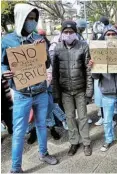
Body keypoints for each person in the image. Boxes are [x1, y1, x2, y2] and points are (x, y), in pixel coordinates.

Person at [1, 4, 58, 173]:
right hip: (21, 94)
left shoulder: (37, 39)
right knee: (19, 132)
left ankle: (43, 153)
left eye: (34, 19)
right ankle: (15, 167)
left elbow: (47, 63)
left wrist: (43, 50)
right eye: (29, 18)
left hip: (40, 91)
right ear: (20, 19)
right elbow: (2, 62)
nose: (31, 22)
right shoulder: (8, 40)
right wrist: (4, 72)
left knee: (42, 125)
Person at [52, 20, 93, 156]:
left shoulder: (83, 46)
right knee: (69, 117)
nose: (68, 34)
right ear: (62, 33)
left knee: (83, 117)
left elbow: (88, 71)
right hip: (65, 91)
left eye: (71, 32)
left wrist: (89, 92)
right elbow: (55, 73)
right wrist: (56, 93)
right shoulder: (57, 48)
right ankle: (74, 142)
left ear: (75, 33)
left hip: (80, 89)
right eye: (66, 32)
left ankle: (86, 143)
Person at [27, 67, 68, 144]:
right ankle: (33, 132)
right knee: (30, 114)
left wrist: (45, 84)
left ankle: (52, 130)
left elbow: (48, 70)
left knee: (47, 112)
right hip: (26, 90)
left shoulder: (42, 55)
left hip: (43, 87)